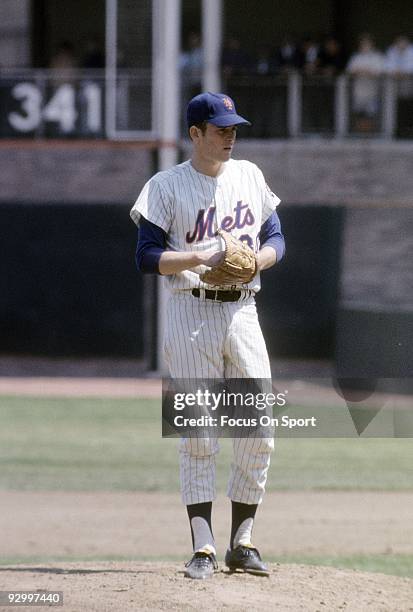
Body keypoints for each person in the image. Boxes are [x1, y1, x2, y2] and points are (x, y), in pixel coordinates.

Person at [130, 92, 285, 579]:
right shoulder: (165, 185)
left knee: (259, 426)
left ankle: (244, 540)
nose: (229, 135)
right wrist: (202, 256)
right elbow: (146, 256)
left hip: (242, 311)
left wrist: (255, 260)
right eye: (219, 128)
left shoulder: (250, 176)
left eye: (233, 127)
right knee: (199, 431)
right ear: (194, 134)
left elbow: (276, 238)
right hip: (189, 312)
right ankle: (203, 546)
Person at [346, 34, 385, 131]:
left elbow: (380, 71)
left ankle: (371, 133)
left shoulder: (378, 57)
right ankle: (360, 133)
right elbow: (350, 70)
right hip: (359, 90)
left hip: (373, 90)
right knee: (360, 112)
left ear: (372, 44)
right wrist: (361, 71)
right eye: (363, 44)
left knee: (371, 113)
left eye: (367, 44)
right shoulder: (356, 57)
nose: (365, 46)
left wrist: (367, 72)